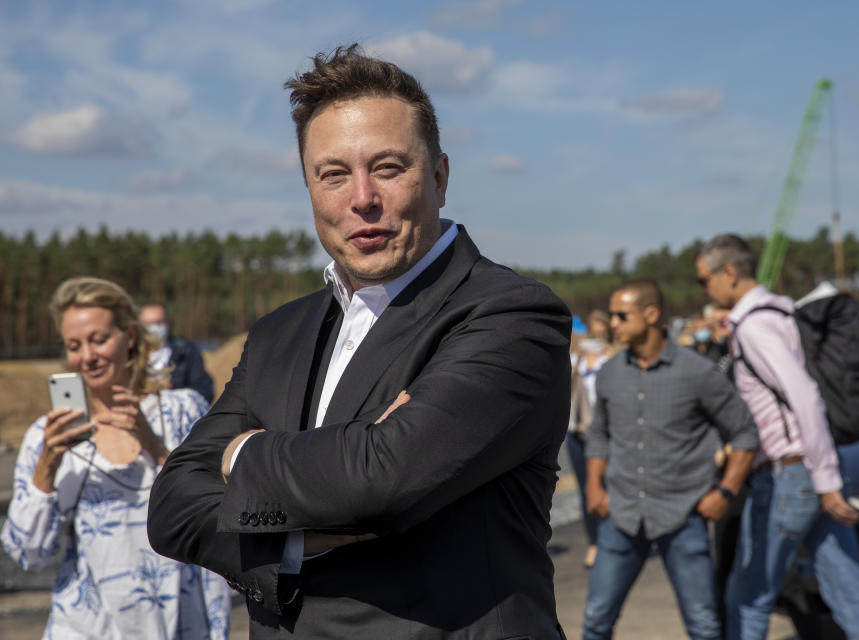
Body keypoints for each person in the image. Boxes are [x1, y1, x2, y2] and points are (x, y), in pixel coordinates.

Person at [147, 44, 571, 639]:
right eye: (334, 174)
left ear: (441, 176)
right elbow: (170, 506)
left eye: (389, 168)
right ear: (310, 188)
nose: (362, 198)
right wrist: (298, 534)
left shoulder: (510, 315)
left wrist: (242, 456)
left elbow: (381, 481)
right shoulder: (278, 333)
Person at [1, 277, 230, 640]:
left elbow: (219, 513)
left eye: (99, 339)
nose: (87, 356)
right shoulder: (46, 436)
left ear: (131, 336)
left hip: (178, 625)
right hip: (85, 630)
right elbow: (29, 555)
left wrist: (155, 446)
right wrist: (47, 465)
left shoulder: (181, 411)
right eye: (74, 345)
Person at [695, 234, 859, 640]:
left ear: (728, 272)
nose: (705, 290)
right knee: (850, 593)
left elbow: (803, 395)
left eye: (704, 280)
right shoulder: (782, 311)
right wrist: (827, 477)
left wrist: (825, 482)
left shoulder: (754, 326)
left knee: (748, 597)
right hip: (814, 472)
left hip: (790, 476)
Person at [581, 280, 758, 640]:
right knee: (596, 621)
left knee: (704, 626)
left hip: (684, 516)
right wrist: (593, 486)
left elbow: (745, 433)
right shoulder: (611, 373)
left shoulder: (698, 372)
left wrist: (725, 493)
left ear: (651, 314)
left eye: (621, 315)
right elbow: (599, 434)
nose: (612, 323)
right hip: (622, 514)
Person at [569, 310, 618, 568]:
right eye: (592, 334)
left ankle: (614, 538)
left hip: (607, 431)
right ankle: (594, 542)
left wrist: (608, 353)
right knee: (586, 486)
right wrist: (579, 354)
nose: (596, 340)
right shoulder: (576, 359)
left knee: (609, 485)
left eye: (602, 335)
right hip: (578, 430)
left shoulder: (613, 359)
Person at [140, 303, 214, 403]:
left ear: (168, 323)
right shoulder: (130, 354)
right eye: (148, 324)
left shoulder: (186, 351)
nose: (154, 328)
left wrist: (174, 395)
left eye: (158, 323)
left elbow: (205, 391)